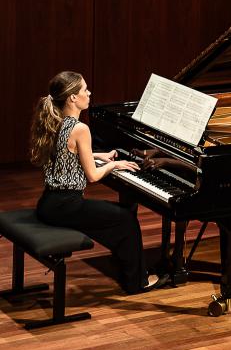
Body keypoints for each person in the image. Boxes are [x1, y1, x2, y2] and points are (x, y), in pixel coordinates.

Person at [30, 71, 164, 294]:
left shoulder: (55, 120)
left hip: (48, 204)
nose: (89, 93)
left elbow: (66, 155)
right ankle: (137, 282)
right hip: (67, 207)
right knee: (126, 218)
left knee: (114, 219)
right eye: (84, 89)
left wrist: (97, 155)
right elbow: (92, 177)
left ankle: (126, 264)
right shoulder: (80, 129)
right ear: (73, 97)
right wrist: (113, 165)